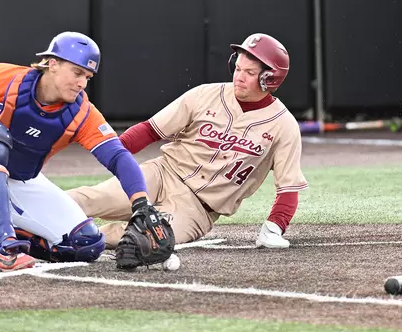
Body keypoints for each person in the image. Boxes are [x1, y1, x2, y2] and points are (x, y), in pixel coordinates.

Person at [0, 32, 157, 271]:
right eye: (77, 72)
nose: (82, 83)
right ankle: (2, 247)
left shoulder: (82, 113)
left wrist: (141, 203)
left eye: (87, 77)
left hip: (17, 175)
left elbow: (117, 156)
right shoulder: (1, 80)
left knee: (85, 244)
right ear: (52, 63)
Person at [68, 33, 309, 249]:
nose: (239, 77)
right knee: (92, 198)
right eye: (238, 69)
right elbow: (150, 130)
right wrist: (113, 154)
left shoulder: (283, 125)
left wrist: (274, 228)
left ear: (270, 79)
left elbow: (288, 187)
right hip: (162, 174)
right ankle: (34, 222)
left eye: (249, 73)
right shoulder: (205, 94)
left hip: (197, 210)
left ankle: (66, 242)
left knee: (140, 238)